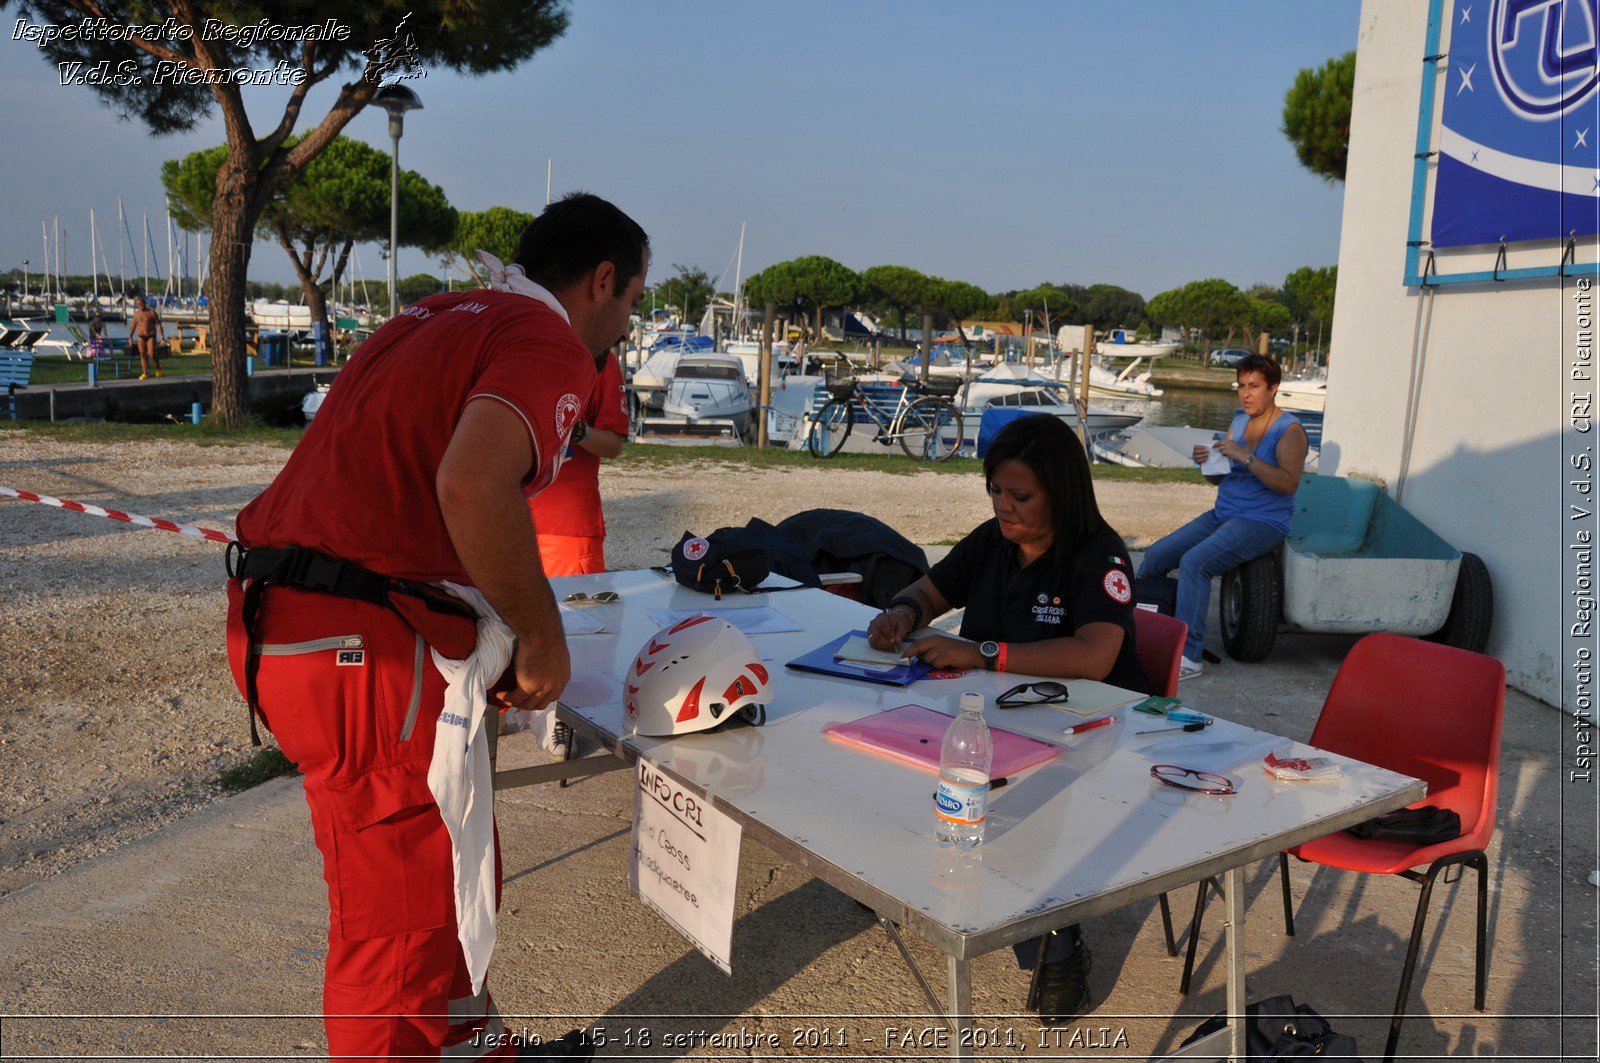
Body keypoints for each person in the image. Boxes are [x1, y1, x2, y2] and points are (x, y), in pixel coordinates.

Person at [225, 192, 648, 1060]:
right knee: (396, 929)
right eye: (634, 301)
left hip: (293, 618)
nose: (628, 328)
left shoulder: (437, 314)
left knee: (451, 866)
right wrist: (541, 636)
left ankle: (472, 1041)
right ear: (603, 281)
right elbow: (471, 485)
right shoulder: (549, 344)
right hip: (358, 647)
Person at [866, 413, 1145, 1024]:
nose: (1005, 507)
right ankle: (908, 874)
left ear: (1061, 493)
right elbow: (931, 591)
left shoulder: (1097, 556)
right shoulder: (992, 541)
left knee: (1032, 811)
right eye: (996, 491)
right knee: (888, 745)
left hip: (1086, 737)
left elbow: (1097, 656)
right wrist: (901, 612)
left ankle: (1056, 936)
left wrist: (984, 652)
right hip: (992, 722)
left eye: (1021, 496)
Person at [1137, 353, 1307, 678]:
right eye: (1241, 386)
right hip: (1223, 513)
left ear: (1273, 388)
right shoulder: (1240, 421)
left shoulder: (1290, 430)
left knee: (1195, 563)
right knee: (1157, 556)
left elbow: (1288, 484)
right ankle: (1150, 633)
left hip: (1263, 521)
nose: (1246, 393)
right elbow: (1219, 478)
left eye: (1254, 386)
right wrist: (1207, 462)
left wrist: (1245, 456)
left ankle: (1189, 655)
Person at [526, 346, 629, 757]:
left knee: (581, 633)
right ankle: (504, 709)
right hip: (507, 516)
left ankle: (564, 718)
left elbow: (614, 444)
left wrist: (577, 430)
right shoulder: (521, 342)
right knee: (496, 623)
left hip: (570, 527)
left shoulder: (600, 358)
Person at [130, 295, 165, 379]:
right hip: (141, 336)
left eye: (141, 303)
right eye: (138, 304)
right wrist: (130, 337)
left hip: (151, 335)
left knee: (151, 353)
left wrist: (162, 336)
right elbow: (133, 326)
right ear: (136, 305)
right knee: (142, 354)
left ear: (144, 303)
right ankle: (145, 373)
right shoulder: (136, 315)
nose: (140, 305)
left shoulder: (152, 313)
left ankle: (159, 367)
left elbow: (158, 324)